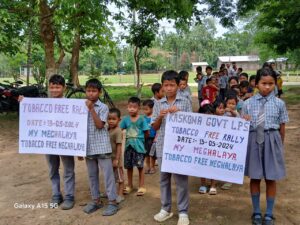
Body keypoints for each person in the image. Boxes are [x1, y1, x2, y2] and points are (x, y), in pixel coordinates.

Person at [242, 67, 289, 225]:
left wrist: (279, 147)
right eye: (264, 83)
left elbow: (282, 128)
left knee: (271, 178)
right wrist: (244, 120)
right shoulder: (247, 104)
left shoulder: (279, 104)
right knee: (255, 178)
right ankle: (256, 211)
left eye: (271, 83)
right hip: (254, 140)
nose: (267, 87)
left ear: (275, 84)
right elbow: (241, 127)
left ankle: (269, 213)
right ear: (256, 84)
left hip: (272, 138)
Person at [21, 74, 76, 210]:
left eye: (57, 87)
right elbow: (32, 115)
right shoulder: (43, 104)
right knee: (52, 169)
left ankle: (69, 196)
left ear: (63, 88)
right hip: (49, 143)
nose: (55, 90)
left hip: (65, 143)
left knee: (68, 170)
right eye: (52, 87)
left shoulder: (72, 105)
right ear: (49, 88)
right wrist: (24, 102)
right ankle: (56, 195)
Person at [152, 70, 192, 225]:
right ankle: (165, 209)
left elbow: (192, 124)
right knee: (164, 179)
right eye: (166, 85)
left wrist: (180, 113)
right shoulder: (158, 103)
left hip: (180, 148)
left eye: (172, 85)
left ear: (178, 86)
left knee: (181, 180)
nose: (169, 88)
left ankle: (183, 212)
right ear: (162, 87)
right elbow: (154, 127)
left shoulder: (185, 101)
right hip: (163, 146)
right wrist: (160, 117)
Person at [82, 79, 119, 216]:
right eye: (88, 90)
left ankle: (112, 202)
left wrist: (91, 109)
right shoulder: (80, 106)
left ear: (99, 92)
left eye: (94, 91)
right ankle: (96, 200)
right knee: (92, 175)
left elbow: (99, 125)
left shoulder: (103, 107)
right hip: (88, 146)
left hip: (102, 146)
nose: (91, 94)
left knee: (108, 175)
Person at [120, 97, 149, 196]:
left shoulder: (142, 119)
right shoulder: (125, 119)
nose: (132, 109)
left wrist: (141, 141)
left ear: (138, 108)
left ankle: (141, 186)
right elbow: (119, 128)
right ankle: (130, 185)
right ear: (127, 107)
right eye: (130, 107)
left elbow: (146, 132)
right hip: (128, 147)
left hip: (139, 147)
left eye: (134, 107)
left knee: (140, 167)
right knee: (129, 167)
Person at [198, 101, 217, 195]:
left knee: (213, 166)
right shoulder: (198, 125)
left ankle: (213, 185)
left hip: (214, 149)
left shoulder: (219, 124)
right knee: (202, 166)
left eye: (210, 115)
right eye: (205, 115)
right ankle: (203, 184)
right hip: (202, 149)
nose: (208, 118)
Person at [108, 108, 125, 204]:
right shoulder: (108, 129)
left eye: (113, 119)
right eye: (109, 119)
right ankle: (113, 193)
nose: (111, 121)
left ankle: (121, 194)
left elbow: (119, 146)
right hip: (109, 158)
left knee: (119, 177)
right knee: (112, 177)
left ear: (119, 120)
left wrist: (117, 159)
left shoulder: (118, 131)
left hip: (116, 159)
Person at [142, 99, 156, 174]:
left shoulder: (154, 117)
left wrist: (156, 137)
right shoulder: (143, 118)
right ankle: (147, 167)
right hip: (145, 138)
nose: (145, 111)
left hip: (152, 138)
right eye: (143, 109)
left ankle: (152, 167)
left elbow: (157, 128)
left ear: (152, 109)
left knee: (152, 154)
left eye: (146, 109)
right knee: (146, 153)